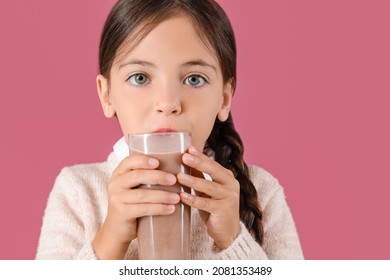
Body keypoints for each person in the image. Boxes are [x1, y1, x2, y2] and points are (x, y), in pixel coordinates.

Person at [36, 0, 303, 260]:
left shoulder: (262, 193)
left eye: (194, 79)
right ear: (106, 95)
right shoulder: (78, 193)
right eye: (140, 78)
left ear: (224, 98)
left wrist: (234, 240)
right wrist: (110, 241)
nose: (168, 103)